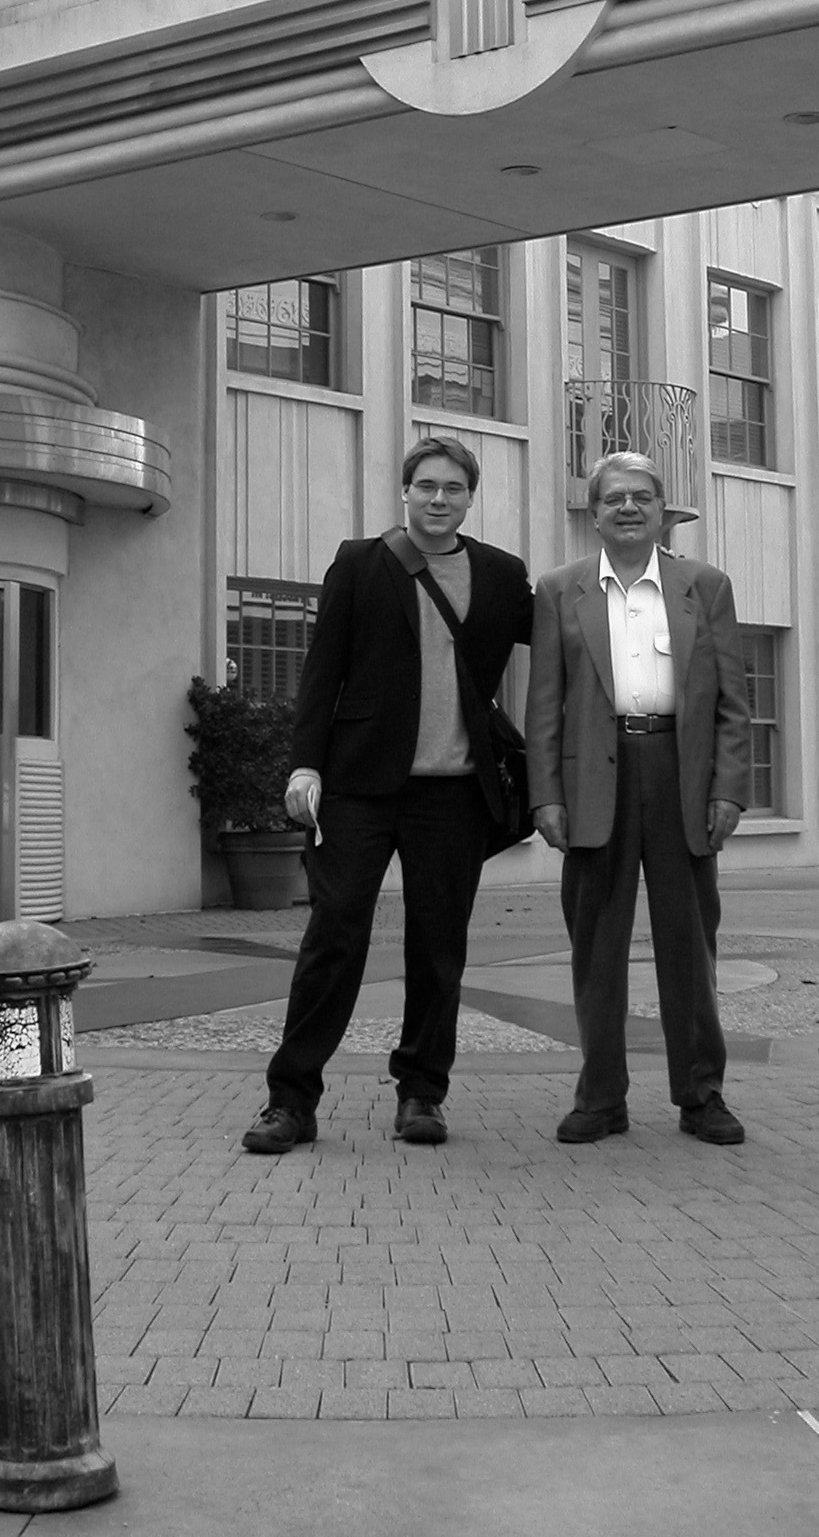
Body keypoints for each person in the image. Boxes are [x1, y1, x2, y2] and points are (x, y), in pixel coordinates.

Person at [241, 435, 534, 1154]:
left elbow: (567, 643)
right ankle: (291, 1100)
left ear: (471, 497)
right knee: (333, 938)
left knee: (439, 949)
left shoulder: (500, 575)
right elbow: (322, 671)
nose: (439, 499)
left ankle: (422, 1094)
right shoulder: (361, 562)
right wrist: (304, 766)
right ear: (405, 492)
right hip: (359, 787)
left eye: (453, 489)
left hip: (455, 794)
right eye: (426, 486)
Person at [525, 451, 752, 1146]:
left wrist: (729, 791)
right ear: (591, 513)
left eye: (642, 498)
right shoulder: (560, 590)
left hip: (679, 775)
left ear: (663, 511)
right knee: (597, 948)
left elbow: (735, 706)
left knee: (689, 945)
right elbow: (544, 706)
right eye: (613, 498)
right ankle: (601, 1098)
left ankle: (701, 1094)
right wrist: (547, 798)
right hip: (595, 778)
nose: (628, 507)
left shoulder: (705, 586)